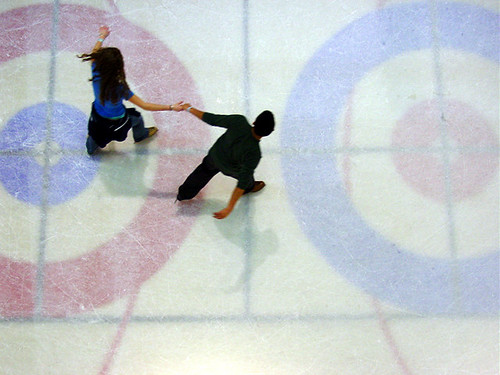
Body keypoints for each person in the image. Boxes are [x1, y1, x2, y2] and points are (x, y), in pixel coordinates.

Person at [78, 26, 184, 155]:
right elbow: (145, 105)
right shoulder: (120, 88)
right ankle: (141, 135)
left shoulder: (96, 71)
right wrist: (171, 107)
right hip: (116, 120)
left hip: (97, 115)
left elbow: (95, 51)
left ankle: (91, 146)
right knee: (136, 118)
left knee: (96, 136)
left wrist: (102, 37)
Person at [177, 104, 275, 219]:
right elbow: (242, 182)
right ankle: (250, 187)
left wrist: (190, 109)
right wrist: (229, 207)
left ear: (254, 122)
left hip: (214, 156)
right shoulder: (254, 154)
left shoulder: (239, 121)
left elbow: (212, 119)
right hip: (230, 169)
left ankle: (183, 194)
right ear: (269, 132)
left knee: (202, 171)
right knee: (247, 180)